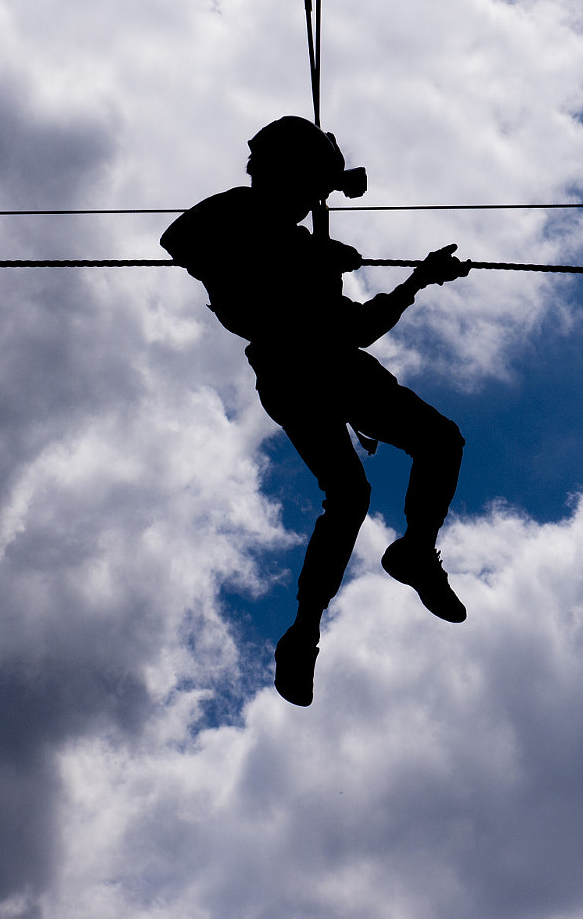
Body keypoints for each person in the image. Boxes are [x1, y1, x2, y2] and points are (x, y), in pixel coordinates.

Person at [161, 116, 470, 706]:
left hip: (333, 366)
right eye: (310, 190)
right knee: (351, 495)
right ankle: (304, 633)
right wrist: (302, 251)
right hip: (292, 369)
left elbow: (357, 329)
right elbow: (180, 241)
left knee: (438, 442)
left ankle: (412, 551)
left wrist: (415, 282)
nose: (311, 204)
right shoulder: (242, 218)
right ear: (286, 176)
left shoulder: (304, 249)